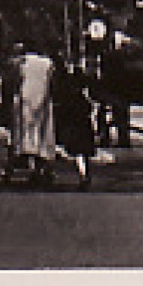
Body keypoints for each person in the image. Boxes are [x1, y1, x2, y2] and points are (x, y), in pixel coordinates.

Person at [4, 42, 56, 186]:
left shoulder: (19, 63)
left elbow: (12, 83)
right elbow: (53, 83)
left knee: (21, 137)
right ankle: (42, 169)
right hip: (43, 102)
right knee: (42, 137)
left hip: (24, 101)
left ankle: (12, 169)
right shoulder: (48, 63)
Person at [53, 62, 97, 190]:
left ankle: (84, 176)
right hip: (85, 126)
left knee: (78, 153)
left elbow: (64, 112)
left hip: (75, 128)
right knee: (84, 154)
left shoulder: (69, 97)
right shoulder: (84, 98)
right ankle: (85, 175)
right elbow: (89, 109)